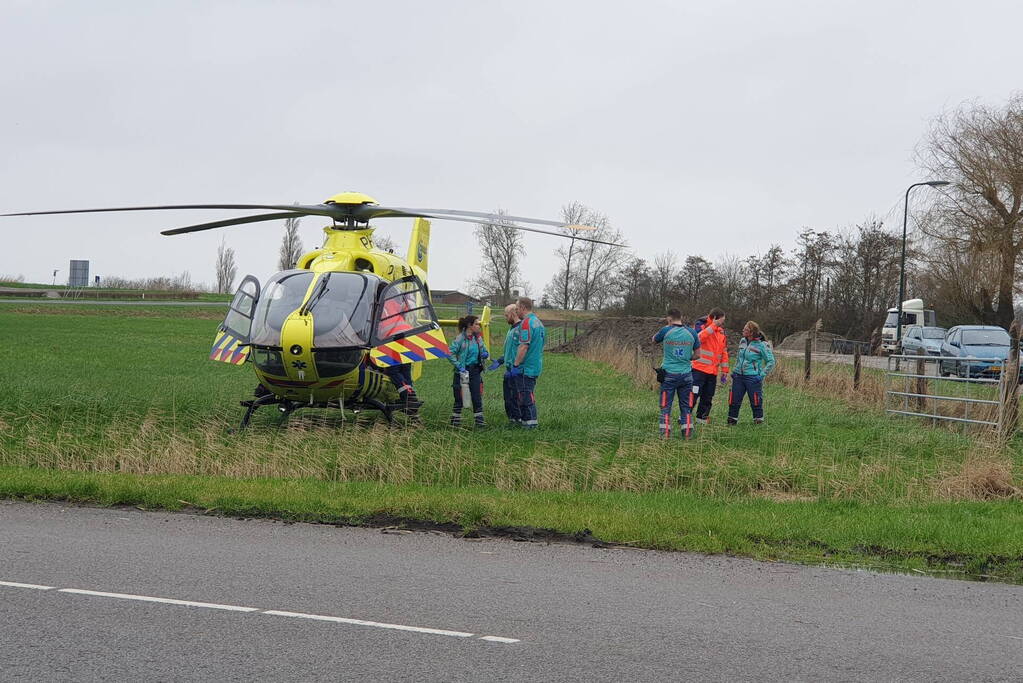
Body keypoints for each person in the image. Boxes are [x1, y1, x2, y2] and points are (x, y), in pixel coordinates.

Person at [652, 308, 700, 439]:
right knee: (686, 406)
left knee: (665, 406)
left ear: (669, 318)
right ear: (681, 317)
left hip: (668, 375)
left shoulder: (666, 330)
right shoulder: (692, 333)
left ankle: (665, 434)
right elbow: (697, 355)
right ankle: (688, 434)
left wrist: (667, 326)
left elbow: (653, 340)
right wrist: (686, 357)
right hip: (686, 376)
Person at [376, 293, 421, 419]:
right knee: (405, 369)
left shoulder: (377, 306)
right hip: (406, 335)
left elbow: (376, 328)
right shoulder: (393, 303)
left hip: (392, 338)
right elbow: (407, 308)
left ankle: (407, 395)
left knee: (393, 370)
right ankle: (411, 395)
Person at [727, 321, 776, 425]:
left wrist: (761, 375)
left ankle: (758, 423)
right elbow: (738, 357)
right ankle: (731, 422)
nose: (743, 330)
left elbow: (771, 362)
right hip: (738, 377)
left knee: (756, 401)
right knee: (734, 400)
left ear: (751, 332)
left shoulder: (762, 345)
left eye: (745, 329)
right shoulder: (742, 341)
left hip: (752, 378)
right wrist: (734, 370)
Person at [508, 297, 545, 429]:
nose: (516, 311)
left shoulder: (526, 323)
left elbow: (524, 346)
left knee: (525, 396)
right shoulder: (538, 323)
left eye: (517, 309)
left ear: (523, 308)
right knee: (527, 394)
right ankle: (528, 423)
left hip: (526, 368)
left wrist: (516, 365)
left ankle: (530, 425)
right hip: (535, 366)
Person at [690, 308, 730, 424]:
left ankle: (701, 418)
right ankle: (685, 415)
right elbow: (698, 339)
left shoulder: (721, 332)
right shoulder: (700, 326)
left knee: (708, 396)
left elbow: (724, 352)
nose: (722, 323)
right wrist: (713, 326)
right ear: (714, 318)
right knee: (693, 394)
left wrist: (725, 370)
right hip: (699, 369)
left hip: (712, 372)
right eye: (721, 320)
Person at [448, 315, 488, 427]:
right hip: (462, 372)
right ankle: (455, 422)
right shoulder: (460, 338)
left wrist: (485, 353)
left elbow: (484, 349)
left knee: (476, 396)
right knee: (459, 397)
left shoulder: (478, 338)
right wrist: (459, 366)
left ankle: (479, 422)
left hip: (475, 371)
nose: (478, 326)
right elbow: (450, 353)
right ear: (470, 326)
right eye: (476, 323)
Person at [487, 303, 523, 426]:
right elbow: (510, 350)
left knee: (515, 397)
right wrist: (501, 360)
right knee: (508, 398)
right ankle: (511, 419)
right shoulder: (511, 329)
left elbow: (522, 350)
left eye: (506, 315)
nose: (505, 317)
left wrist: (516, 366)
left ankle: (518, 420)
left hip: (516, 370)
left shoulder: (520, 329)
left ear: (513, 313)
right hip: (508, 369)